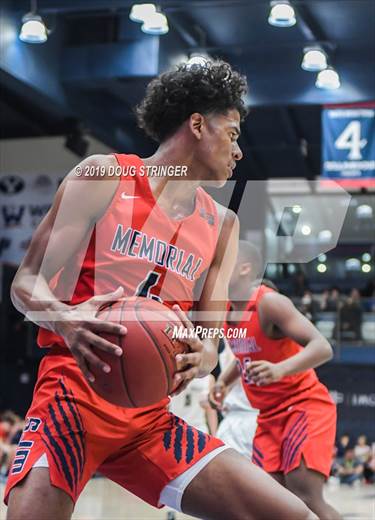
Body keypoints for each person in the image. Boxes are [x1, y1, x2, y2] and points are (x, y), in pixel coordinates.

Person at [5, 61, 316, 520]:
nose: (239, 152)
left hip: (151, 417)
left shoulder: (223, 225)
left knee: (294, 516)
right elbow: (24, 283)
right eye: (231, 134)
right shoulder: (103, 177)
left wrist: (206, 357)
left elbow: (212, 336)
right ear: (197, 124)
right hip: (72, 397)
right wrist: (64, 318)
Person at [210, 241, 341, 520]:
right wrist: (222, 382)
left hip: (303, 406)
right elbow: (243, 355)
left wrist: (280, 369)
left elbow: (322, 347)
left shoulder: (269, 302)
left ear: (245, 268)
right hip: (268, 416)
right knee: (272, 505)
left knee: (306, 498)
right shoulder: (227, 311)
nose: (216, 268)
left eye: (224, 262)